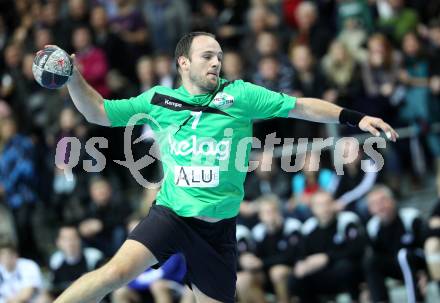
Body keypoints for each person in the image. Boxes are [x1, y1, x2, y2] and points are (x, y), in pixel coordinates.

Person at [47, 31, 397, 303]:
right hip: (172, 214)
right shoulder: (157, 100)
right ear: (183, 62)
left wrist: (357, 118)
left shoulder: (239, 95)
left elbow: (301, 106)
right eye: (207, 56)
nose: (216, 62)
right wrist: (73, 78)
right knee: (114, 274)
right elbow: (97, 111)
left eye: (219, 56)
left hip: (218, 232)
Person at [288, 191, 365, 302]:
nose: (325, 208)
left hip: (344, 272)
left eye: (328, 203)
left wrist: (327, 258)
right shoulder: (309, 227)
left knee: (346, 266)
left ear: (334, 204)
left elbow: (357, 249)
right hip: (320, 274)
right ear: (313, 209)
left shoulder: (346, 220)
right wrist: (301, 263)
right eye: (320, 205)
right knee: (296, 278)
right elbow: (300, 252)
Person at [364, 185, 427, 303]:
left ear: (393, 201)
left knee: (403, 255)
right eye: (374, 203)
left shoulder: (411, 217)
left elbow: (427, 249)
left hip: (417, 263)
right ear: (370, 209)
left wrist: (426, 273)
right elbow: (378, 257)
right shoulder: (372, 226)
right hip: (396, 267)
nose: (380, 206)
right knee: (371, 260)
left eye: (383, 200)